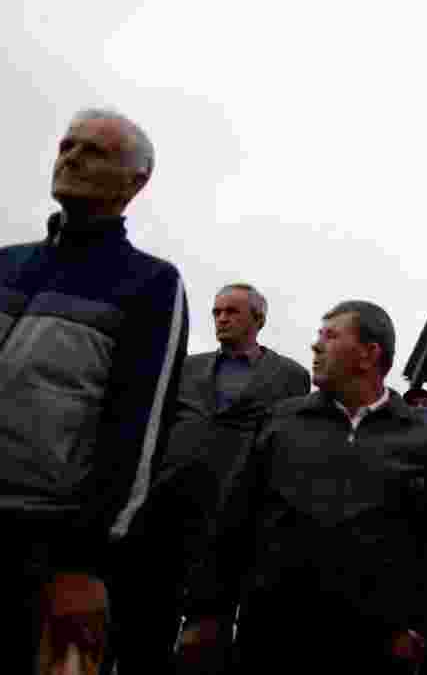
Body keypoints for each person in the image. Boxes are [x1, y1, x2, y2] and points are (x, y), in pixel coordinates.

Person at [0, 108, 188, 674]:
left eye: (94, 151)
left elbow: (139, 436)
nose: (71, 157)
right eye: (66, 145)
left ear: (136, 182)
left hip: (31, 553)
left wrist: (85, 566)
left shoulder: (149, 284)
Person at [178, 300, 427, 674]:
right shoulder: (281, 422)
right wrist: (206, 613)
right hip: (271, 640)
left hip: (372, 650)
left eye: (330, 336)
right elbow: (232, 521)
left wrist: (418, 628)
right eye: (318, 336)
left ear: (369, 354)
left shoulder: (424, 438)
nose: (316, 346)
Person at [109, 283, 309, 672]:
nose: (221, 319)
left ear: (258, 319)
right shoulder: (186, 368)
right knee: (143, 626)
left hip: (231, 520)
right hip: (165, 512)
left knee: (207, 633)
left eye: (232, 311)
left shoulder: (290, 377)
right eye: (217, 312)